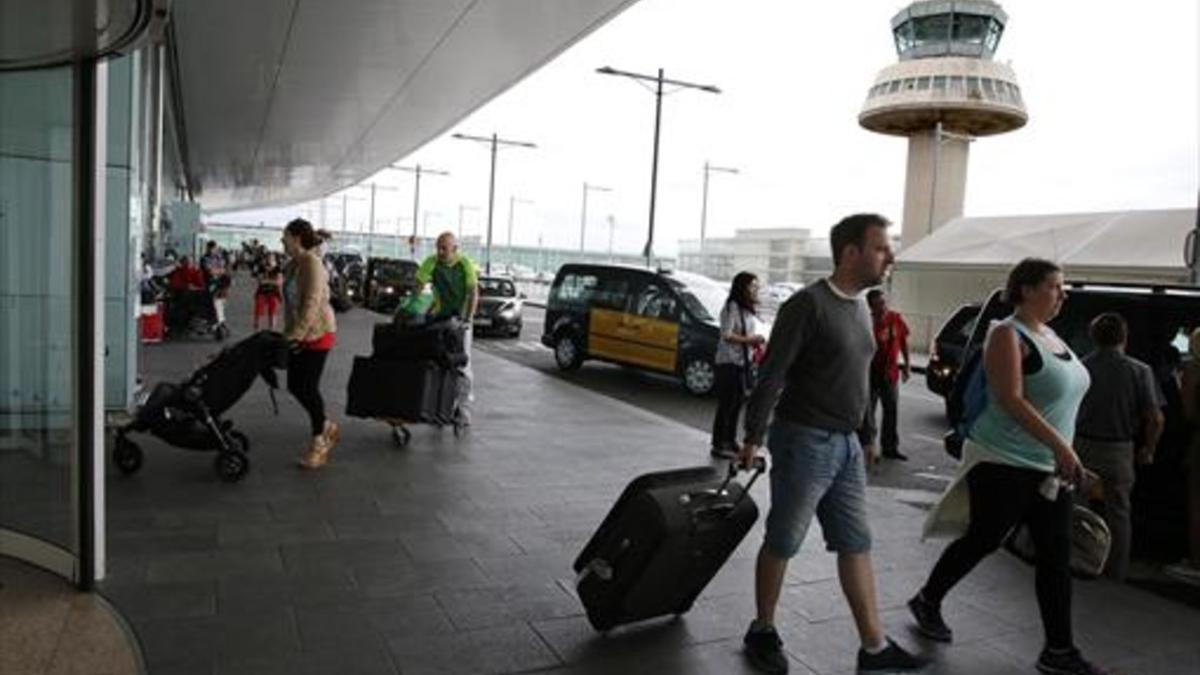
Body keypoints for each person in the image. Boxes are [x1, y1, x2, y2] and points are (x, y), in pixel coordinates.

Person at [737, 214, 924, 674]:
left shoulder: (862, 305)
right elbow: (773, 373)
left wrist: (868, 434)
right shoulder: (808, 305)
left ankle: (874, 649)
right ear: (851, 253)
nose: (890, 257)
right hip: (804, 440)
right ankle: (762, 628)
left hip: (845, 446)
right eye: (881, 248)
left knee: (855, 542)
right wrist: (752, 438)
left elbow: (860, 376)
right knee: (784, 539)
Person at [911, 258, 1108, 675]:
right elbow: (1010, 398)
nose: (1063, 293)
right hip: (1003, 460)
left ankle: (1058, 650)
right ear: (1026, 289)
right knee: (984, 538)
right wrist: (1062, 448)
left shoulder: (1052, 336)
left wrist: (1065, 454)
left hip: (1049, 465)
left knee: (1055, 554)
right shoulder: (1007, 334)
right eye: (1056, 286)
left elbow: (1059, 403)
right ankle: (928, 598)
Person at [1074, 312, 1165, 581]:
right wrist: (1148, 449)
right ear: (1124, 337)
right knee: (1119, 512)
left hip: (1081, 445)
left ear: (1093, 337)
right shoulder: (1139, 371)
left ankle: (1080, 560)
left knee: (1078, 506)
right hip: (1119, 450)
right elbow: (1156, 417)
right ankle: (1116, 570)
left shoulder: (1081, 367)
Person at [281, 218, 340, 469]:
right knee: (295, 385)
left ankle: (319, 443)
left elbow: (312, 304)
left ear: (296, 238)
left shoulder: (312, 264)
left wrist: (296, 334)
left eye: (285, 236)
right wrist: (290, 333)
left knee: (308, 387)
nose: (282, 241)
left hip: (318, 334)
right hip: (300, 333)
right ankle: (326, 426)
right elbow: (292, 305)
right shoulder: (293, 264)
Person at [416, 232, 479, 425]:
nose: (440, 252)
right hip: (439, 317)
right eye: (438, 247)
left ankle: (463, 410)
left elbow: (473, 294)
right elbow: (418, 287)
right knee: (439, 362)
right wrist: (413, 309)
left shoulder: (465, 264)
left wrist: (467, 320)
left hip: (460, 320)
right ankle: (439, 407)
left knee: (463, 366)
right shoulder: (431, 262)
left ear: (455, 249)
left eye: (444, 248)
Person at [711, 272, 765, 459]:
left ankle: (730, 441)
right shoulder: (731, 307)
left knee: (736, 404)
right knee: (727, 404)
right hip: (728, 363)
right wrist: (750, 340)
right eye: (752, 286)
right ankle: (719, 444)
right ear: (742, 288)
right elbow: (726, 334)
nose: (755, 290)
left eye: (757, 286)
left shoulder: (746, 309)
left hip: (742, 363)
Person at [1165, 328, 1200, 585]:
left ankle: (1196, 564)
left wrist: (1179, 384)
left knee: (1197, 505)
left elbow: (1188, 413)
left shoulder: (1193, 370)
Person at [862, 288, 911, 462]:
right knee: (869, 412)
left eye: (883, 303)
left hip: (890, 373)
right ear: (871, 307)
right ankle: (869, 447)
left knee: (891, 410)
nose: (883, 307)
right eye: (878, 304)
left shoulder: (895, 319)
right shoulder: (866, 322)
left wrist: (906, 364)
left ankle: (890, 447)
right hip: (870, 372)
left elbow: (903, 341)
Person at [201, 240, 231, 331]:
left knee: (220, 302)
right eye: (211, 248)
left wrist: (216, 271)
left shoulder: (218, 257)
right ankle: (215, 321)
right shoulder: (205, 258)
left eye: (213, 248)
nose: (212, 250)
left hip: (220, 284)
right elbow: (209, 271)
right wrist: (218, 271)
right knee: (212, 302)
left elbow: (223, 270)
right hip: (210, 283)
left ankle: (219, 321)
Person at [253, 252, 284, 331]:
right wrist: (272, 281)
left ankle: (271, 330)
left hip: (273, 293)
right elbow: (260, 281)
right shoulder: (261, 267)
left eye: (271, 258)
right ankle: (257, 330)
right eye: (268, 258)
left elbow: (279, 282)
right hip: (262, 293)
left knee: (272, 312)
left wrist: (267, 281)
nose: (269, 259)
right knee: (258, 312)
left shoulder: (278, 268)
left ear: (274, 259)